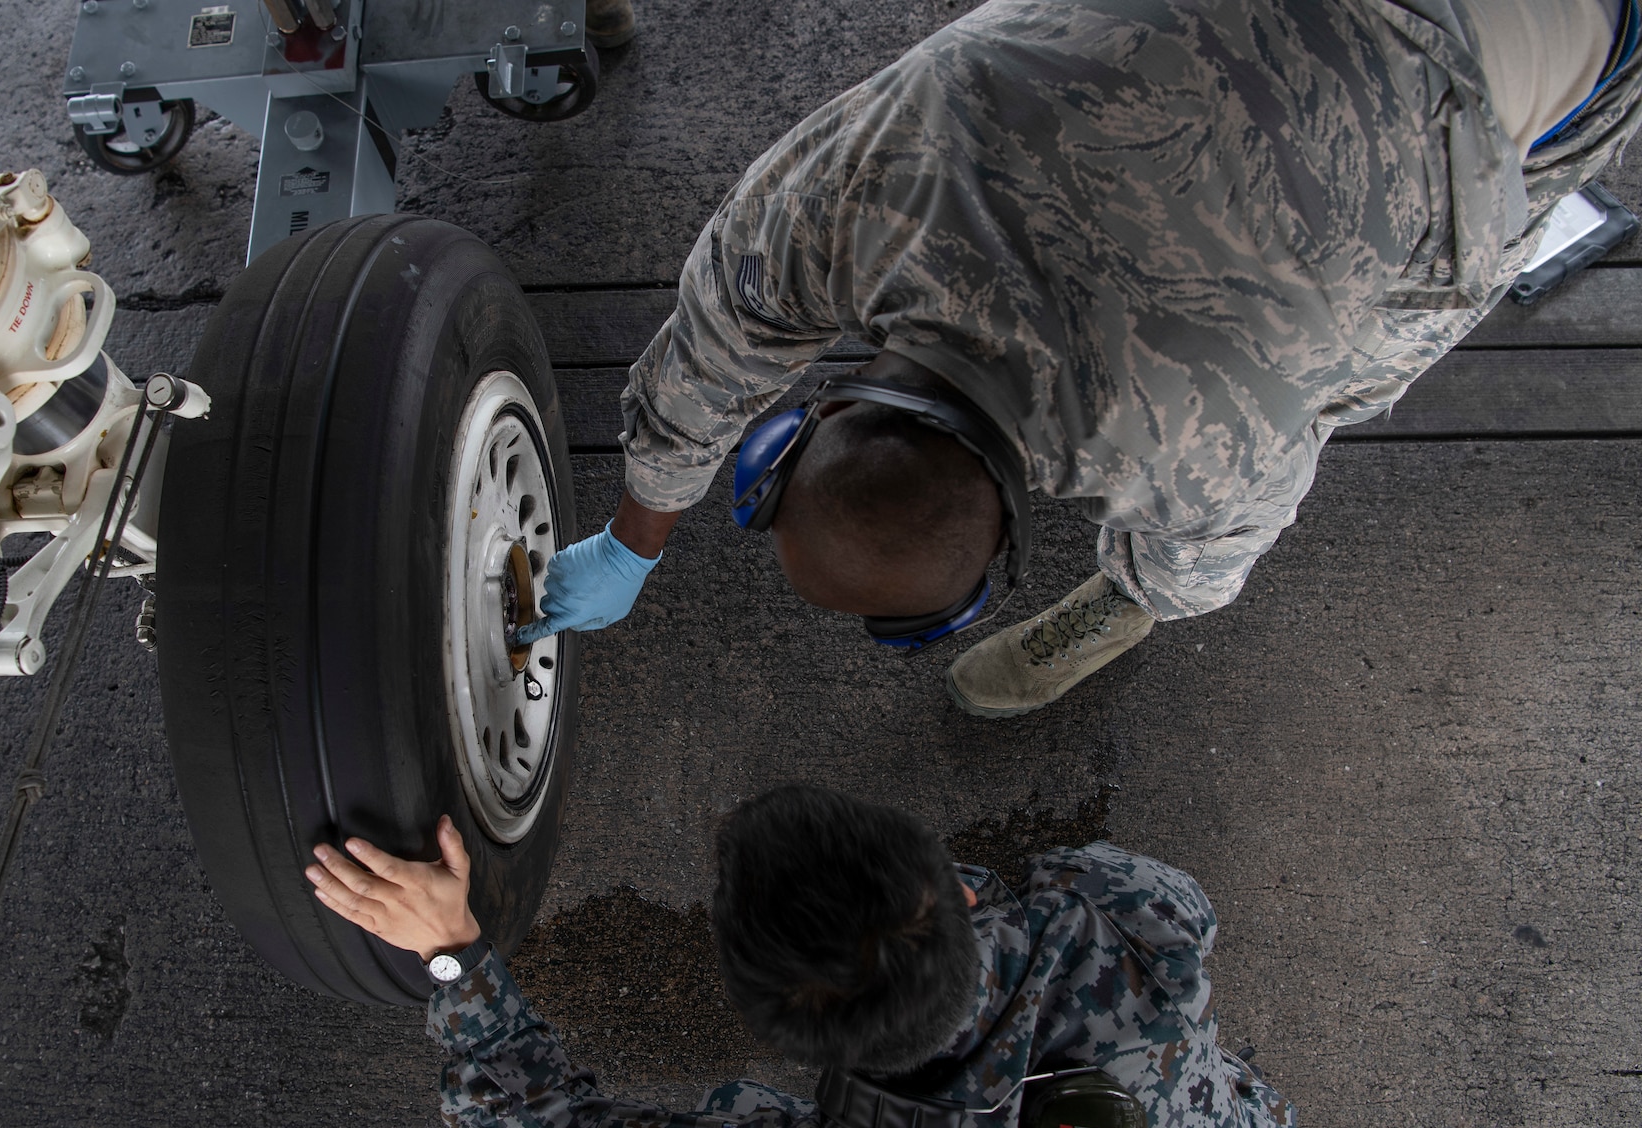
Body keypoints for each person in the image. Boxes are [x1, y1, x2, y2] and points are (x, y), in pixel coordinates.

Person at [516, 0, 1642, 718]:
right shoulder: (881, 174)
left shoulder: (1216, 433)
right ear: (804, 418)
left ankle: (1116, 609)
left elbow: (1219, 548)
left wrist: (1153, 588)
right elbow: (717, 329)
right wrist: (632, 532)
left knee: (1420, 294)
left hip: (1517, 54)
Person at [304, 787, 1296, 1128]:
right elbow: (1171, 910)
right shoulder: (1117, 913)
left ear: (785, 1035)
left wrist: (453, 954)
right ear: (952, 892)